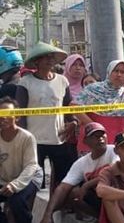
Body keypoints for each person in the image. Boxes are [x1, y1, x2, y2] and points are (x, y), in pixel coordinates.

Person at [16, 42, 78, 191]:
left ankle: (57, 211)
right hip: (34, 140)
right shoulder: (25, 82)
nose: (49, 60)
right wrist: (24, 137)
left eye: (51, 57)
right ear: (36, 61)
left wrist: (74, 121)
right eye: (45, 57)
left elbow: (67, 105)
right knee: (35, 182)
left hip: (58, 138)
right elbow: (20, 113)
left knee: (61, 180)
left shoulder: (62, 81)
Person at [39, 123, 118, 223]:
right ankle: (101, 220)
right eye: (95, 136)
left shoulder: (114, 151)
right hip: (98, 199)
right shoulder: (81, 163)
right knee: (73, 193)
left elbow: (113, 171)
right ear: (86, 141)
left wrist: (87, 185)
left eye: (102, 135)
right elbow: (63, 188)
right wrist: (47, 214)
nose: (100, 138)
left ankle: (112, 221)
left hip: (116, 196)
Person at [74, 60, 124, 153]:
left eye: (123, 72)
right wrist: (94, 126)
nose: (119, 75)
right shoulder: (93, 89)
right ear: (109, 72)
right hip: (91, 145)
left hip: (116, 145)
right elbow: (74, 107)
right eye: (116, 71)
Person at [0, 97, 43, 223]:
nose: (3, 117)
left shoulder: (27, 137)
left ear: (17, 116)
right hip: (6, 178)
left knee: (17, 199)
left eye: (7, 113)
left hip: (30, 177)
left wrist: (15, 185)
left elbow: (31, 165)